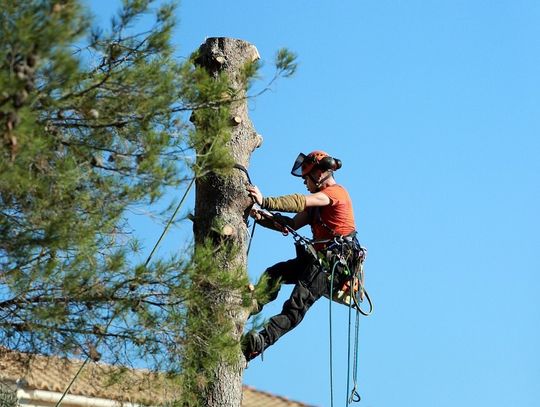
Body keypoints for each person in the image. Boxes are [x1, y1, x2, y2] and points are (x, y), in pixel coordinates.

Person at [242, 150, 361, 361]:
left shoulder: (335, 194)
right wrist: (261, 216)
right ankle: (252, 303)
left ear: (319, 174)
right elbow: (291, 223)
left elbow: (299, 201)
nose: (304, 182)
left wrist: (265, 201)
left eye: (306, 177)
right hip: (318, 260)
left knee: (296, 305)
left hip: (332, 265)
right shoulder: (317, 206)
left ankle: (260, 342)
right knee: (275, 273)